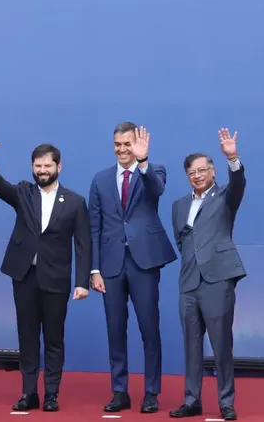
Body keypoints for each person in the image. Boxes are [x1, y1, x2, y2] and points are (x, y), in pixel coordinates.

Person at [0, 123, 92, 412]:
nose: (42, 170)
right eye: (37, 165)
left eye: (47, 165)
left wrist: (82, 282)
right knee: (26, 337)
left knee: (54, 339)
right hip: (24, 277)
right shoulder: (23, 193)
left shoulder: (75, 202)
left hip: (56, 280)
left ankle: (51, 394)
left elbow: (83, 244)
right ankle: (29, 393)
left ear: (58, 167)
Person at [89, 123, 177, 413]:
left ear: (137, 144)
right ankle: (119, 390)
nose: (123, 149)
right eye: (118, 144)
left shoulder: (154, 170)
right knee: (115, 329)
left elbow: (157, 189)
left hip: (144, 261)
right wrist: (94, 269)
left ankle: (151, 392)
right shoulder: (100, 179)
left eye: (128, 143)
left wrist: (143, 161)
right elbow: (94, 227)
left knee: (149, 328)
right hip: (111, 264)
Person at [169, 128, 246, 422]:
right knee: (191, 345)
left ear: (213, 172)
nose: (198, 175)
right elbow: (182, 240)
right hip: (189, 282)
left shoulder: (226, 196)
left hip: (218, 279)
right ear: (187, 175)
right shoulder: (178, 205)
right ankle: (192, 400)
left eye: (203, 170)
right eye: (192, 172)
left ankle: (226, 402)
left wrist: (233, 157)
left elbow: (238, 182)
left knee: (221, 344)